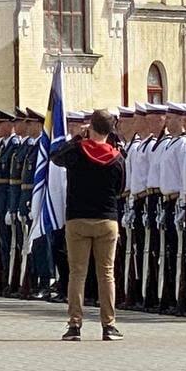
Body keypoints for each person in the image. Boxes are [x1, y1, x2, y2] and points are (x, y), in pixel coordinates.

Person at [50, 109, 126, 341]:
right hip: (106, 219)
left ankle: (74, 326)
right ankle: (109, 325)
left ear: (90, 127)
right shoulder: (117, 157)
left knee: (77, 274)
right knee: (106, 274)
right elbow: (120, 189)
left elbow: (55, 156)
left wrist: (78, 139)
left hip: (78, 219)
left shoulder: (76, 151)